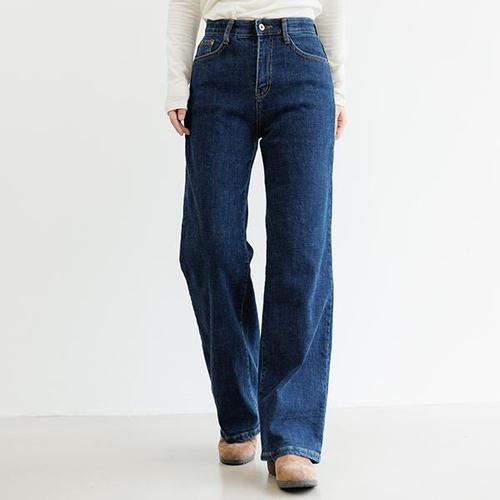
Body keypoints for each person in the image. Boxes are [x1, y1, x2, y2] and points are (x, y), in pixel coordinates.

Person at [165, 0, 346, 491]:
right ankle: (240, 415)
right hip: (219, 59)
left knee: (301, 250)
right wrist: (177, 82)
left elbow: (333, 5)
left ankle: (292, 439)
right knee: (212, 247)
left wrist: (339, 88)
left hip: (302, 59)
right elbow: (184, 4)